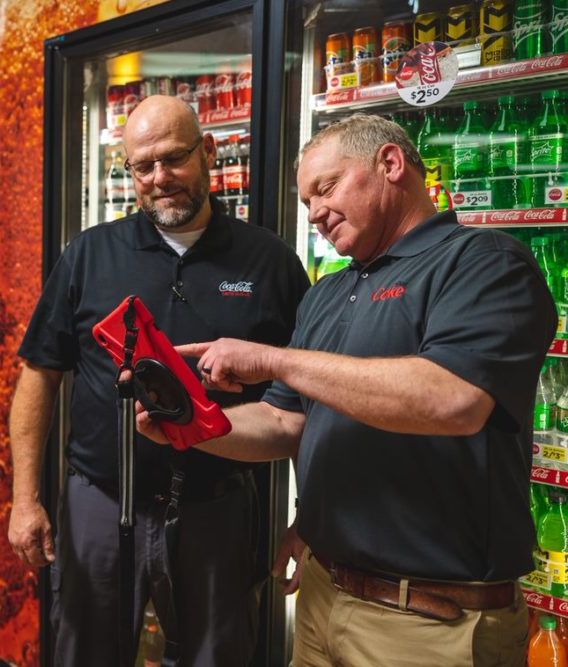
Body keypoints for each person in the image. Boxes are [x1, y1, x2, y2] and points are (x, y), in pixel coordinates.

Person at [138, 113, 556, 667]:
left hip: (430, 622)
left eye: (326, 188)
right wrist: (189, 425)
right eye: (306, 200)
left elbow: (454, 399)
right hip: (322, 599)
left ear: (390, 164)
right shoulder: (328, 292)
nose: (313, 213)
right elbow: (287, 423)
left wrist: (274, 359)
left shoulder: (482, 262)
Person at [8, 94, 310, 666]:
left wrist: (308, 513)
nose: (159, 178)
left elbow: (303, 398)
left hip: (216, 508)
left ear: (210, 150)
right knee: (85, 653)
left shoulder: (269, 262)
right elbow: (39, 374)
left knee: (214, 656)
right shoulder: (89, 255)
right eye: (142, 166)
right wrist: (25, 500)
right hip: (99, 500)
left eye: (174, 158)